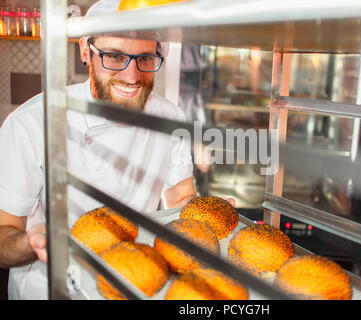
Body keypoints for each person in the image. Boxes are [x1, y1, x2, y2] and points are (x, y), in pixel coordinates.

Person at [0, 0, 234, 300]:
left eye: (146, 58)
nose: (132, 76)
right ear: (86, 51)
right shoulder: (31, 123)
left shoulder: (170, 116)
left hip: (134, 283)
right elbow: (3, 236)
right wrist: (32, 242)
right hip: (48, 289)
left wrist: (206, 214)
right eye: (114, 56)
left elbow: (180, 199)